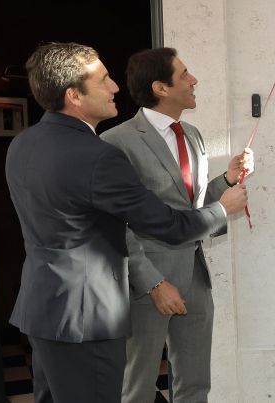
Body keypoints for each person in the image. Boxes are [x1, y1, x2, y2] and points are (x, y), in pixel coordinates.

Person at [5, 42, 248, 403]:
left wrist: (223, 185)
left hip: (43, 311)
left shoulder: (23, 144)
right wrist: (221, 210)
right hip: (88, 318)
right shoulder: (99, 154)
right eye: (103, 80)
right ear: (74, 95)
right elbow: (166, 224)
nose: (115, 87)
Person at [101, 47, 251, 403]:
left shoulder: (193, 135)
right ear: (160, 88)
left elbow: (189, 209)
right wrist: (152, 283)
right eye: (184, 74)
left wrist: (226, 181)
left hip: (196, 276)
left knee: (196, 385)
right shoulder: (115, 142)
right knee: (136, 388)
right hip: (148, 284)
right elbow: (115, 224)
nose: (194, 80)